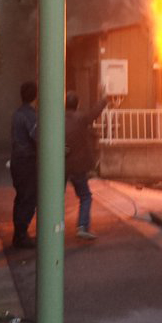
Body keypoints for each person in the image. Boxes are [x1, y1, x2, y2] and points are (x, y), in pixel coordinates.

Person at [64, 90, 109, 240]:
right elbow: (94, 113)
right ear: (77, 104)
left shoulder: (58, 118)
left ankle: (53, 225)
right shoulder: (81, 118)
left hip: (61, 165)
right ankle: (82, 227)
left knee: (57, 197)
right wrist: (104, 100)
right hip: (77, 165)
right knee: (85, 196)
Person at [10, 80, 38, 248]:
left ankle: (18, 234)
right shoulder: (30, 115)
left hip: (16, 161)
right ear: (35, 96)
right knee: (29, 198)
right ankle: (21, 235)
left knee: (20, 197)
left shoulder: (17, 113)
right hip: (27, 162)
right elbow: (37, 137)